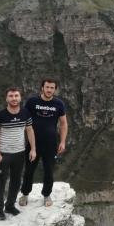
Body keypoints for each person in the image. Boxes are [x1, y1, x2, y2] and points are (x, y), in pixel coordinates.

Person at [20, 78, 68, 207]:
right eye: (47, 87)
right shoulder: (32, 102)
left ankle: (47, 195)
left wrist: (62, 142)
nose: (49, 90)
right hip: (33, 144)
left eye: (52, 88)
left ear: (55, 89)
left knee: (49, 171)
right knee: (29, 170)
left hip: (51, 144)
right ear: (42, 88)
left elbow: (63, 124)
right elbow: (24, 120)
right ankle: (25, 194)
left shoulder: (59, 104)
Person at [0, 87, 36, 220]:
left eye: (16, 96)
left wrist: (33, 149)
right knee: (1, 183)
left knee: (16, 181)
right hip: (4, 154)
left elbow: (30, 130)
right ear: (6, 98)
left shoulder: (25, 113)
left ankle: (10, 205)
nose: (14, 98)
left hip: (19, 153)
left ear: (20, 98)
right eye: (11, 96)